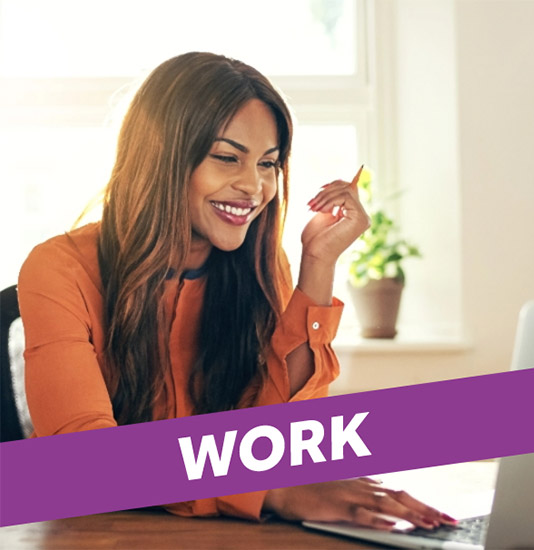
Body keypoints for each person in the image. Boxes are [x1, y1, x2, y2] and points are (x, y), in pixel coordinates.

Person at [18, 52, 455, 530]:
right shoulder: (60, 268)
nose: (254, 186)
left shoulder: (262, 265)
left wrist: (318, 264)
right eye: (227, 158)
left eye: (268, 164)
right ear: (162, 157)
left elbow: (292, 439)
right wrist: (271, 490)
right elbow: (84, 464)